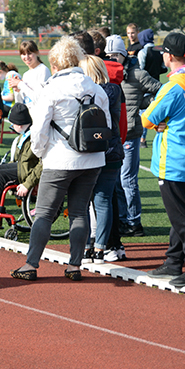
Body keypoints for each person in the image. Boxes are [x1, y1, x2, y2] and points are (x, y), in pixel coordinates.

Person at [10, 37, 110, 282]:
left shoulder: (51, 89)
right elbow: (105, 123)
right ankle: (74, 265)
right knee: (79, 212)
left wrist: (41, 152)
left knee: (44, 213)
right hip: (92, 159)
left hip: (60, 159)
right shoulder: (96, 88)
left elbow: (39, 129)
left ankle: (31, 264)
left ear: (54, 64)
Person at [142, 32, 185, 287]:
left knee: (184, 217)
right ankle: (173, 261)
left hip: (172, 160)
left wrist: (158, 122)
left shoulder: (172, 87)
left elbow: (147, 119)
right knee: (180, 212)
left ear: (169, 56)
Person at [105, 35, 160, 238]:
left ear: (122, 55)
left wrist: (144, 104)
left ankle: (134, 222)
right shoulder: (105, 73)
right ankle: (122, 219)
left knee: (127, 179)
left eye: (114, 56)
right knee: (117, 181)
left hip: (129, 134)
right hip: (112, 135)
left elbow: (162, 90)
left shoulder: (137, 74)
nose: (111, 59)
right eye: (108, 56)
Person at [79, 55, 124, 263]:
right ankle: (100, 248)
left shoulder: (86, 92)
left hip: (90, 151)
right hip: (112, 148)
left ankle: (87, 245)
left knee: (85, 200)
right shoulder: (115, 90)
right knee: (104, 200)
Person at [8, 40, 50, 108]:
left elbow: (39, 99)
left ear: (37, 53)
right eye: (23, 54)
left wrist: (20, 84)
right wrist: (17, 90)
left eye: (30, 53)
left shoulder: (43, 70)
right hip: (29, 115)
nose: (27, 57)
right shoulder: (26, 74)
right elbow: (22, 102)